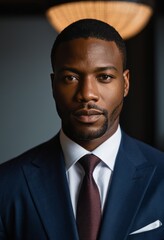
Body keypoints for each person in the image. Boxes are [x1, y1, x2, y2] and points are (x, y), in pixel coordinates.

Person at [0, 18, 164, 240]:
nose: (87, 94)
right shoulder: (8, 183)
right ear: (53, 85)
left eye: (104, 77)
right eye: (71, 77)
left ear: (125, 83)